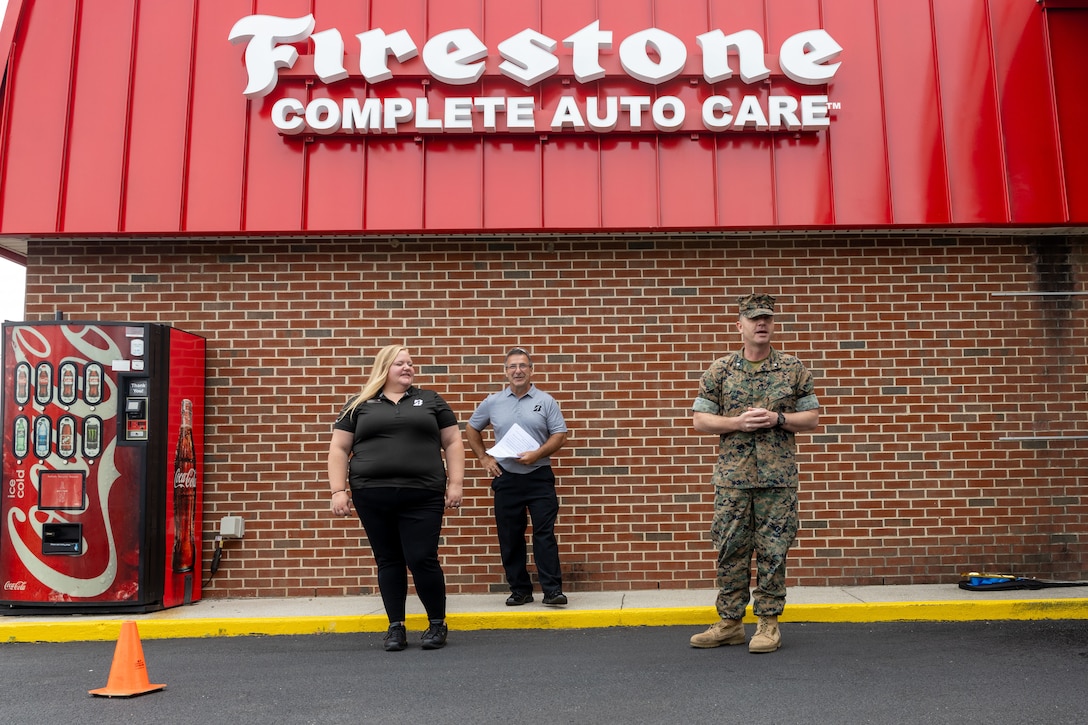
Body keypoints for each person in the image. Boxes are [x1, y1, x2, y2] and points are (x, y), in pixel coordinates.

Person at [688, 294, 820, 653]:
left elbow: (811, 417)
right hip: (733, 480)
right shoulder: (721, 370)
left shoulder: (792, 369)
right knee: (730, 549)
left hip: (776, 481)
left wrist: (779, 418)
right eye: (754, 319)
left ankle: (768, 623)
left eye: (767, 319)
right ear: (740, 326)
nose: (762, 324)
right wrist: (737, 422)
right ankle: (730, 622)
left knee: (774, 550)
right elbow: (700, 419)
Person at [327, 345, 465, 652]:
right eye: (400, 363)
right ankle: (396, 627)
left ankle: (437, 624)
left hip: (423, 493)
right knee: (388, 559)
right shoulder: (359, 404)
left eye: (410, 363)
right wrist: (338, 490)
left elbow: (454, 441)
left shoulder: (431, 400)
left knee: (421, 558)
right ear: (384, 368)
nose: (408, 367)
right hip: (372, 494)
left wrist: (455, 483)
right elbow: (338, 449)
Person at [466, 347, 570, 607]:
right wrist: (484, 458)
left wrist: (537, 454)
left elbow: (559, 434)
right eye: (512, 366)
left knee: (544, 534)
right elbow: (471, 428)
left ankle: (552, 590)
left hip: (539, 476)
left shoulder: (546, 401)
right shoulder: (493, 402)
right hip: (507, 477)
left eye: (523, 366)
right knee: (510, 536)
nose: (518, 371)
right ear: (505, 372)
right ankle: (520, 590)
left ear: (531, 370)